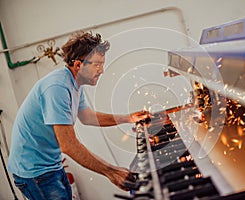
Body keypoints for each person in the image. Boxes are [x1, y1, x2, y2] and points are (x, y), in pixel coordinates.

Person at [8, 32, 150, 200]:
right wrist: (112, 172)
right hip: (35, 172)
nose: (102, 70)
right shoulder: (57, 88)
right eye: (97, 65)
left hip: (50, 164)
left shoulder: (74, 83)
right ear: (78, 65)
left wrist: (128, 118)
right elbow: (68, 145)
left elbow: (87, 116)